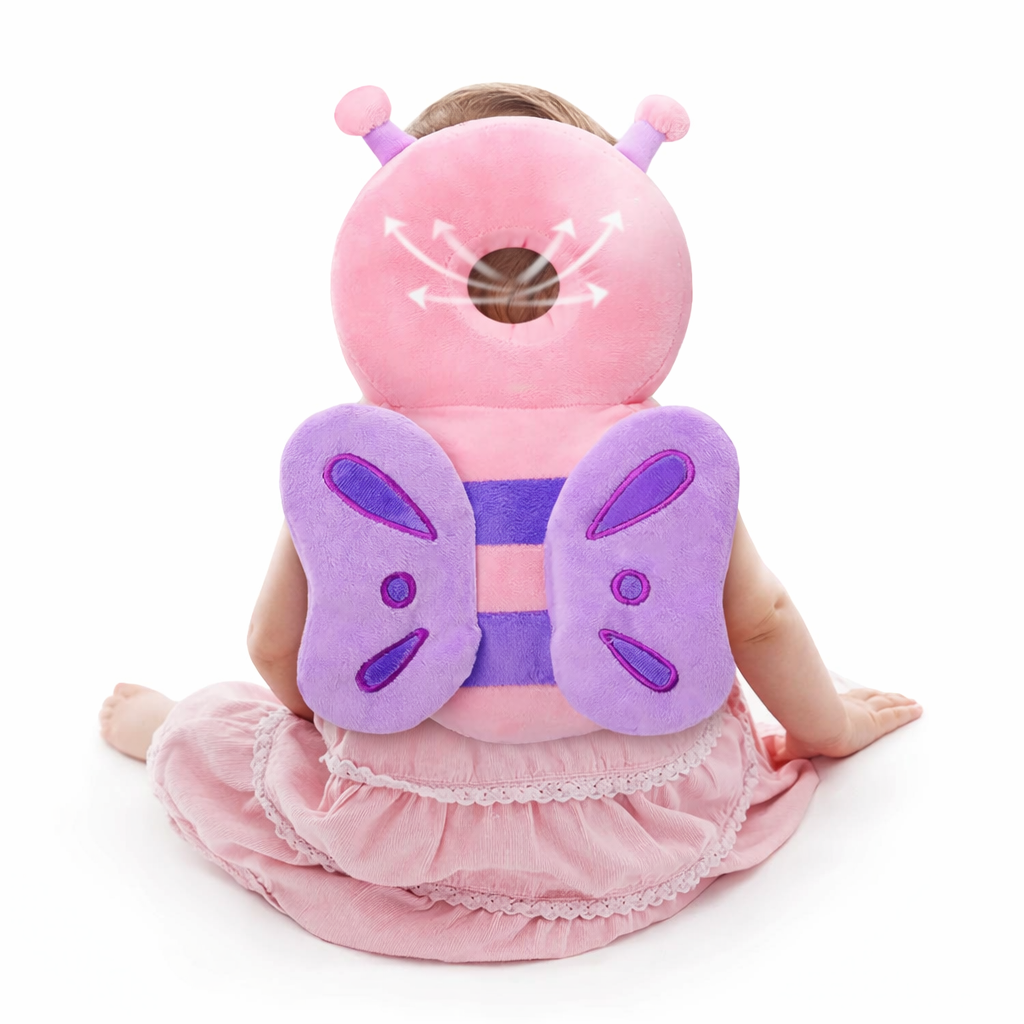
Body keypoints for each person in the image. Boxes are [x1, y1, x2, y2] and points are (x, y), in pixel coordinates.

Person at [99, 83, 922, 963]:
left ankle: (165, 736)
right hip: (636, 818)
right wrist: (828, 728)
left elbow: (276, 646)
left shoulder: (368, 459)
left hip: (404, 821)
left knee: (220, 728)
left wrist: (332, 730)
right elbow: (760, 620)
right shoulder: (654, 452)